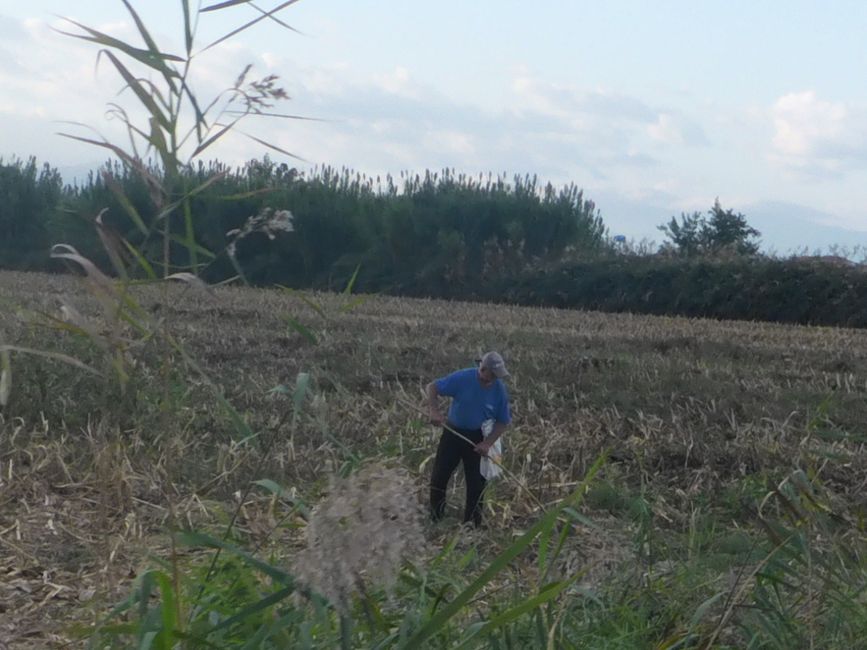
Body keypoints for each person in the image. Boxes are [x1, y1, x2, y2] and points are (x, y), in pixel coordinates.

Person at [426, 351, 512, 526]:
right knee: (439, 477)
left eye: (497, 376)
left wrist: (487, 443)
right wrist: (434, 411)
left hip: (478, 440)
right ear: (483, 368)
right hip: (453, 433)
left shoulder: (499, 390)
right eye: (492, 375)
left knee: (477, 485)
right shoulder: (462, 378)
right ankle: (436, 518)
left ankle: (471, 525)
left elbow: (503, 421)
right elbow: (432, 387)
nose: (494, 379)